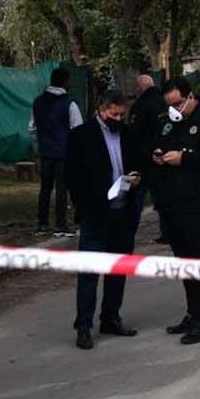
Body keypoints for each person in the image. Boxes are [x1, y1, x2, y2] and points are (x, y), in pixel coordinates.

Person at [151, 77, 200, 345]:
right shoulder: (169, 121)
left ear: (189, 96)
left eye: (177, 103)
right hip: (175, 205)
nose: (174, 109)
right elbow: (161, 141)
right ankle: (192, 312)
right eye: (169, 105)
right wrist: (159, 153)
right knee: (185, 263)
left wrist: (184, 158)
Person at [65, 91, 143, 350]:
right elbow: (72, 177)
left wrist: (137, 179)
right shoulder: (81, 136)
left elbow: (139, 164)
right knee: (89, 273)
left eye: (122, 114)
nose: (118, 119)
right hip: (96, 215)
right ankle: (83, 326)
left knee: (118, 270)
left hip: (123, 213)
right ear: (101, 110)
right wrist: (85, 207)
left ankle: (111, 317)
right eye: (114, 114)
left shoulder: (129, 135)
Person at [31, 67, 83, 237]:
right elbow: (78, 131)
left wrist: (41, 142)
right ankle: (61, 225)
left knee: (44, 189)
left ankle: (42, 224)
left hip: (45, 152)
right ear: (66, 82)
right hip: (64, 153)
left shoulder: (38, 102)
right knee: (62, 189)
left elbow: (31, 128)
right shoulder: (69, 103)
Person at [126, 74, 168, 244]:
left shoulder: (140, 105)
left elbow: (133, 133)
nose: (136, 91)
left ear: (142, 88)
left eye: (137, 88)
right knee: (163, 198)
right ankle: (168, 232)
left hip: (143, 160)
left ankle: (128, 233)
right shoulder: (165, 103)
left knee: (136, 199)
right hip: (163, 158)